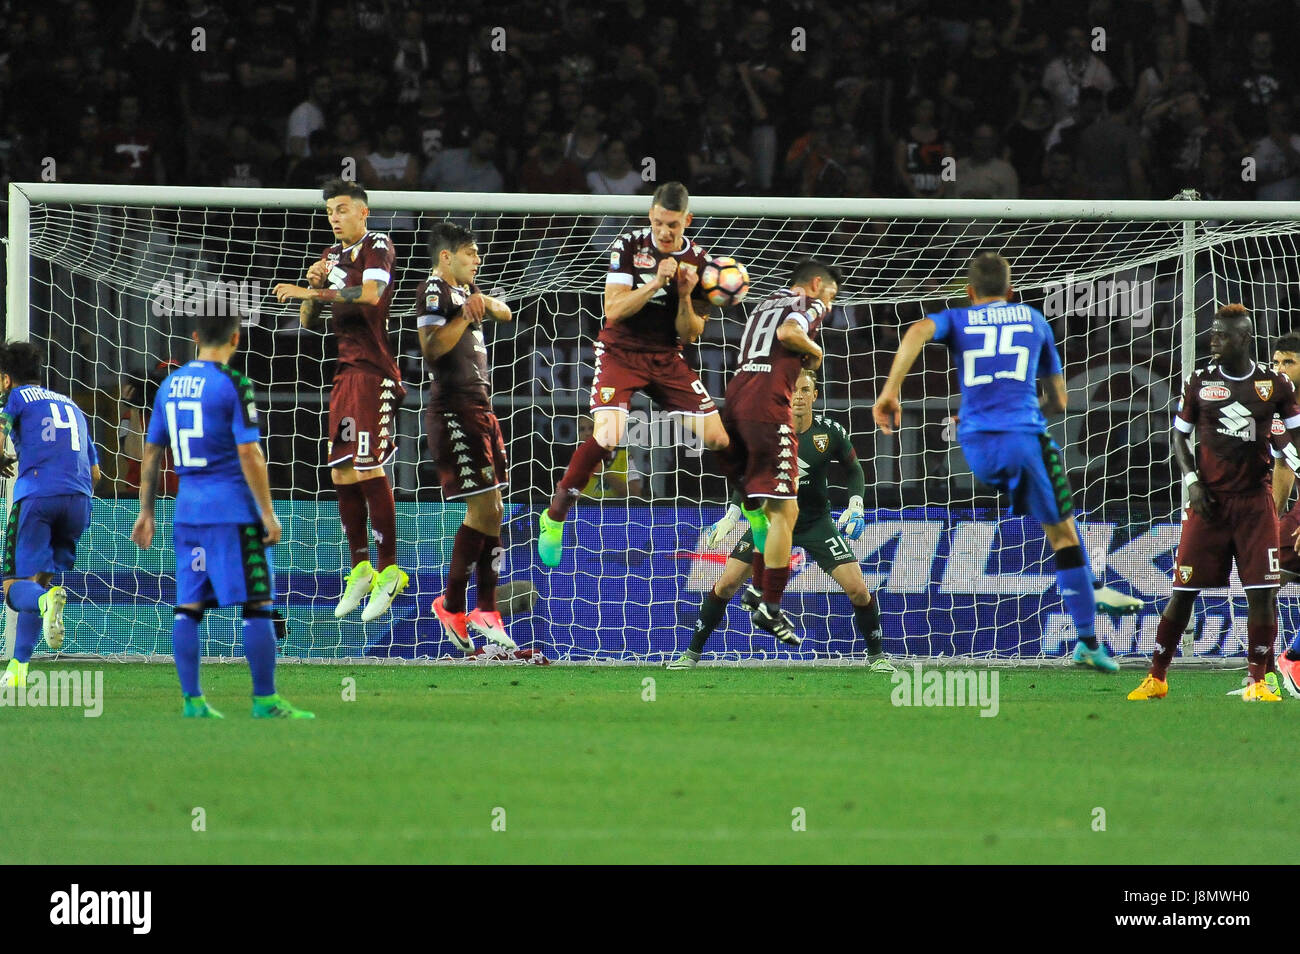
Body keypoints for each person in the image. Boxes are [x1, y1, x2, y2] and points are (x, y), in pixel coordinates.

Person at [873, 252, 1141, 675]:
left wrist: (890, 392)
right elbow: (1058, 401)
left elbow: (918, 330)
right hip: (1021, 440)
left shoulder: (958, 318)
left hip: (975, 446)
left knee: (1059, 523)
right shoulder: (1034, 320)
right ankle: (1088, 633)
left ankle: (1091, 586)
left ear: (969, 292)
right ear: (1011, 291)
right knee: (1063, 534)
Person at [131, 306, 311, 718]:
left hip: (188, 512)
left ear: (195, 336)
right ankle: (265, 700)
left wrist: (147, 511)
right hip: (232, 512)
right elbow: (249, 451)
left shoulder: (170, 386)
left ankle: (193, 701)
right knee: (257, 604)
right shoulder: (234, 384)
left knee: (189, 606)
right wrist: (267, 514)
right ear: (236, 339)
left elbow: (153, 451)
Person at [536, 182, 728, 566]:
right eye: (658, 222)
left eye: (672, 224)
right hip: (621, 353)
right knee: (608, 435)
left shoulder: (702, 265)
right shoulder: (629, 246)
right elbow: (614, 309)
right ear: (650, 217)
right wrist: (658, 280)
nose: (664, 231)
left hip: (665, 356)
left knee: (720, 439)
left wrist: (686, 294)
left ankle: (749, 511)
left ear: (687, 220)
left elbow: (691, 334)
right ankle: (555, 514)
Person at [1129, 306, 1300, 701]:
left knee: (1261, 594)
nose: (1214, 340)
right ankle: (1157, 676)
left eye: (1222, 335)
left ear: (1243, 339)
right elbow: (1179, 438)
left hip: (1255, 505)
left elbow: (1291, 443)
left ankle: (1259, 681)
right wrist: (1191, 482)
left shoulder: (1273, 385)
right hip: (1208, 503)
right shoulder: (1199, 381)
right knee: (1183, 592)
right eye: (1213, 333)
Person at [674, 369, 891, 671]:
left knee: (858, 589)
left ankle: (877, 658)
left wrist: (856, 505)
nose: (798, 396)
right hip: (771, 522)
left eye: (805, 390)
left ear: (814, 395)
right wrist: (731, 516)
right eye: (793, 390)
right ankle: (691, 654)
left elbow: (854, 470)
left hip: (816, 523)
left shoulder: (830, 432)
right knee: (725, 585)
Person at [273, 179, 408, 623]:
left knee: (367, 466)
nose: (335, 216)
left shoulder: (378, 244)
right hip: (346, 374)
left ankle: (390, 570)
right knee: (342, 470)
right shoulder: (330, 258)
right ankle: (361, 569)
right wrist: (309, 285)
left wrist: (313, 291)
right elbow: (309, 321)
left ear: (363, 212)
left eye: (343, 208)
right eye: (330, 210)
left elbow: (371, 296)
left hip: (374, 372)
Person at [715, 259, 839, 646]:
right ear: (816, 283)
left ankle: (756, 588)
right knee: (787, 510)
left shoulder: (764, 302)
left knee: (767, 510)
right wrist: (814, 350)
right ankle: (770, 604)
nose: (831, 305)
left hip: (734, 403)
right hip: (768, 410)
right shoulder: (809, 301)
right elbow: (789, 333)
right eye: (832, 295)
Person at [419, 223, 518, 653]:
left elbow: (506, 313)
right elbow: (431, 348)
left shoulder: (464, 292)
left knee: (494, 509)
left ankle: (484, 609)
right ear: (447, 257)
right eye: (470, 254)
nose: (477, 260)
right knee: (484, 509)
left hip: (481, 408)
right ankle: (455, 605)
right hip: (455, 410)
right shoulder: (434, 292)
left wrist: (484, 302)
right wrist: (465, 312)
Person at [0, 342, 100, 689]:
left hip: (38, 498)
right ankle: (18, 667)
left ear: (6, 379)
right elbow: (97, 473)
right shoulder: (71, 405)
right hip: (79, 500)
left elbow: (0, 430)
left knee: (15, 588)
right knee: (39, 579)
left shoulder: (14, 399)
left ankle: (45, 601)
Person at [575, 415, 642, 499]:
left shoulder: (624, 457)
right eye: (582, 429)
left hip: (618, 512)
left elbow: (635, 495)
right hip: (588, 512)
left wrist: (605, 473)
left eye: (592, 428)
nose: (587, 433)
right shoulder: (575, 462)